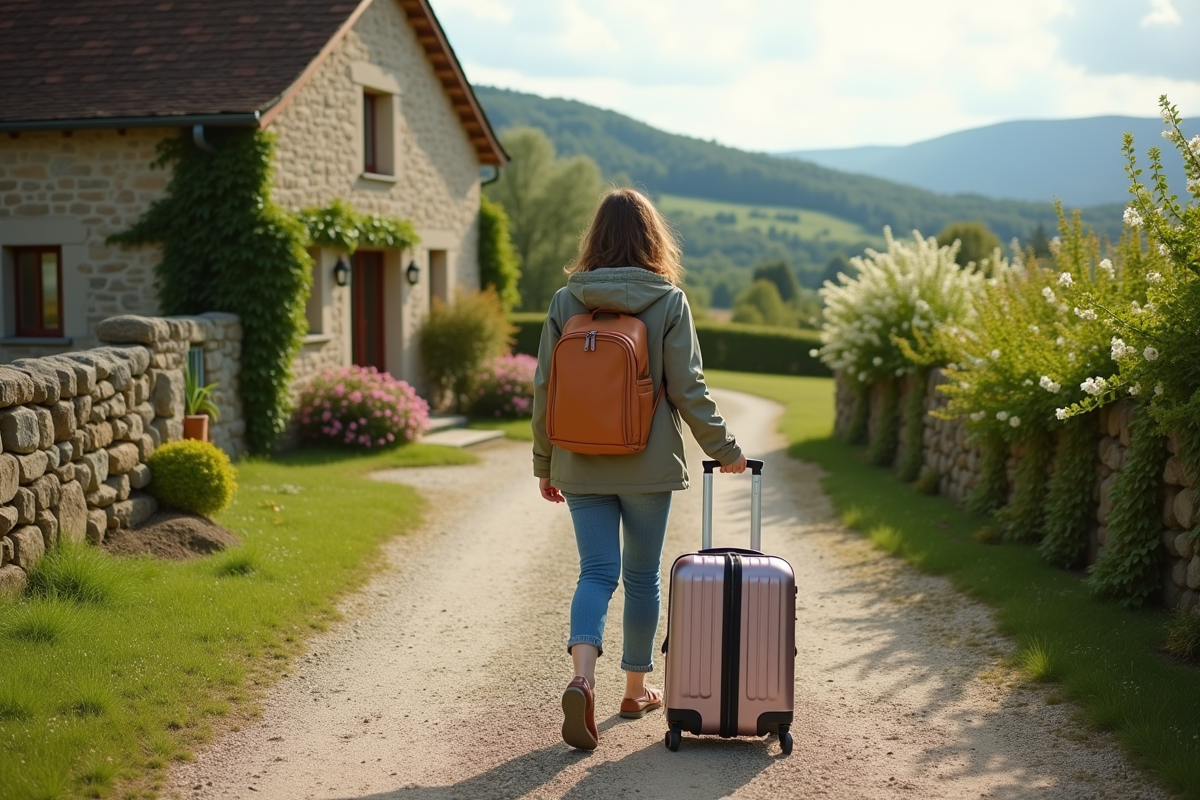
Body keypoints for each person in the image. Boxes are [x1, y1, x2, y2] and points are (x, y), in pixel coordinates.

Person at [530, 187, 746, 751]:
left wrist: (545, 462)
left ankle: (582, 678)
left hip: (579, 460)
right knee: (642, 577)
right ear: (654, 239)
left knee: (595, 573)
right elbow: (689, 388)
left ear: (595, 237)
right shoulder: (668, 301)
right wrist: (725, 450)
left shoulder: (565, 301)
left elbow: (545, 389)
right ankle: (634, 690)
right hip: (646, 464)